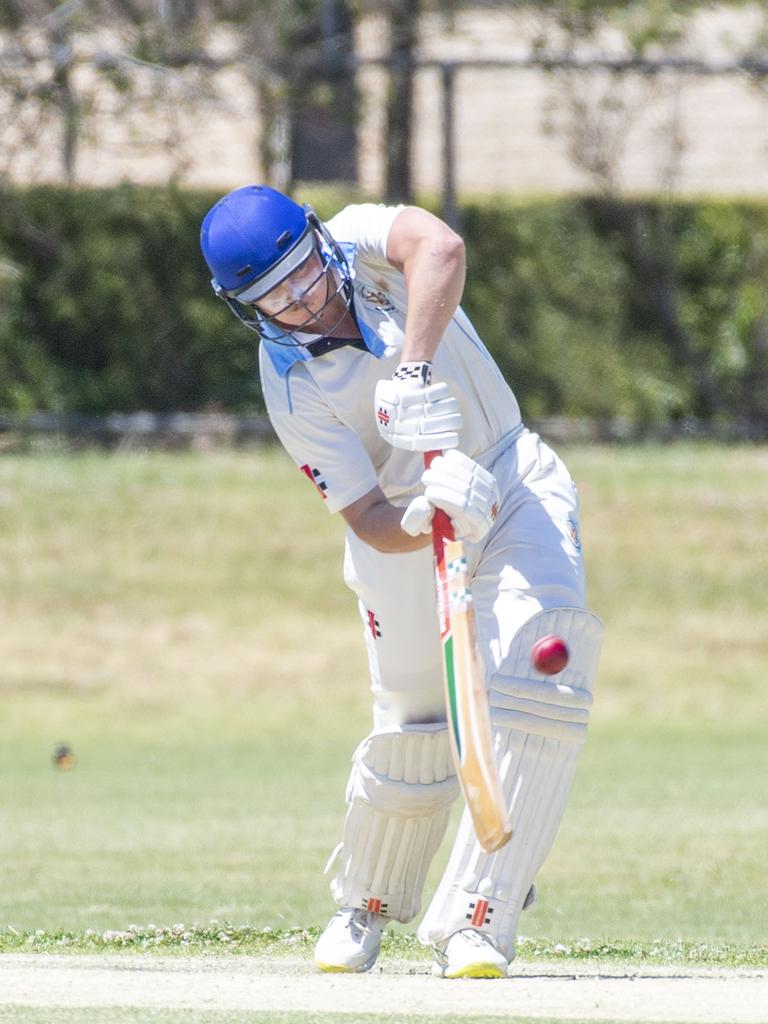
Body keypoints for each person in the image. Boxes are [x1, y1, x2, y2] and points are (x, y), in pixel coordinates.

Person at [200, 185, 603, 979]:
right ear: (244, 308)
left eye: (303, 274)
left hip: (511, 476)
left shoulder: (362, 238)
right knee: (416, 720)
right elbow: (364, 514)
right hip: (410, 526)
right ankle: (370, 902)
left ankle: (479, 918)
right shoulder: (289, 382)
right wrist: (421, 522)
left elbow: (442, 248)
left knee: (541, 672)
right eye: (272, 298)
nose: (300, 302)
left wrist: (413, 370)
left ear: (319, 243)